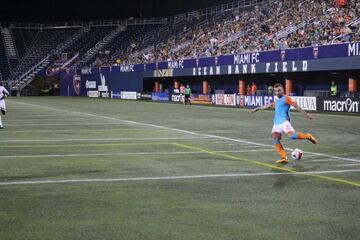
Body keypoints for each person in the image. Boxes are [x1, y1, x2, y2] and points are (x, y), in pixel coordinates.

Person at [250, 83, 318, 163]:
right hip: (276, 123)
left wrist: (306, 114)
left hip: (284, 122)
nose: (278, 92)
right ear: (274, 93)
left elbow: (296, 106)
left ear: (283, 90)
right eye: (276, 91)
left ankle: (308, 136)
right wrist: (257, 108)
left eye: (279, 90)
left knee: (292, 136)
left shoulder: (286, 98)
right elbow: (268, 105)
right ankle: (284, 157)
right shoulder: (277, 101)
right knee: (275, 138)